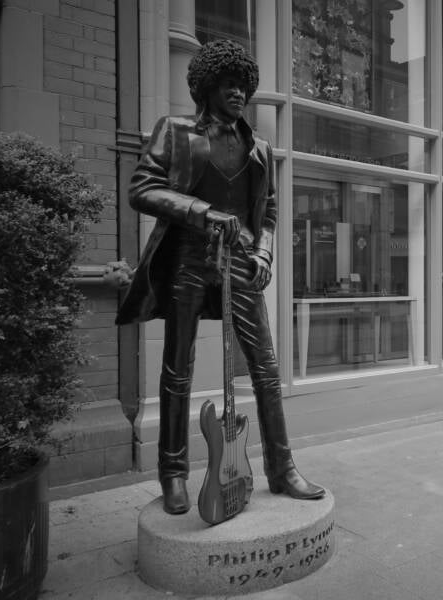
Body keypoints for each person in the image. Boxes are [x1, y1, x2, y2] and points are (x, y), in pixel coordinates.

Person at [116, 39, 324, 514]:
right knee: (178, 368)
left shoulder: (260, 148)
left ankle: (282, 468)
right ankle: (173, 474)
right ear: (207, 87)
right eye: (228, 84)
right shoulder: (174, 131)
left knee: (266, 368)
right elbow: (142, 188)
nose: (238, 93)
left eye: (243, 86)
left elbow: (269, 211)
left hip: (242, 260)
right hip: (188, 260)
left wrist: (265, 253)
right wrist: (202, 211)